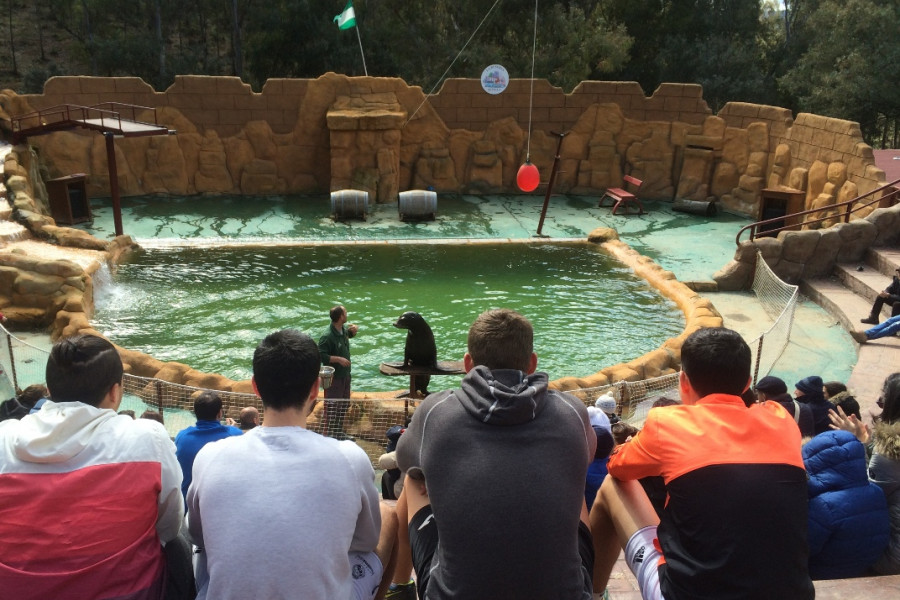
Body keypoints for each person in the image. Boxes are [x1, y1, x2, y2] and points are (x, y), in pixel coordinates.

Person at [590, 327, 814, 599]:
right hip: (791, 594)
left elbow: (617, 466)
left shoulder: (668, 423)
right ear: (748, 382)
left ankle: (593, 592)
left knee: (612, 485)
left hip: (686, 594)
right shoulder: (782, 420)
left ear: (683, 381)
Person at [396, 309, 597, 600]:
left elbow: (405, 462)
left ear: (468, 364)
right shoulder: (572, 412)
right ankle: (599, 590)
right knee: (572, 479)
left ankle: (399, 586)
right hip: (566, 594)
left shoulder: (436, 412)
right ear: (532, 363)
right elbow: (587, 456)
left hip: (450, 594)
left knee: (413, 479)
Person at [186, 329, 397, 600]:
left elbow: (198, 535)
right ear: (315, 388)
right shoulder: (350, 458)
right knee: (389, 515)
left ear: (255, 386)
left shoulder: (210, 456)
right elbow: (366, 541)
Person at [0, 334, 185, 599]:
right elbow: (168, 526)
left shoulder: (4, 438)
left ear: (50, 390)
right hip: (130, 592)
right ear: (115, 391)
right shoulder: (149, 439)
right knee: (180, 541)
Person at [802, 429, 889, 579]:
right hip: (862, 568)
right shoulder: (876, 491)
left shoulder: (824, 505)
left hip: (823, 574)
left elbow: (804, 549)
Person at [174, 391, 242, 500]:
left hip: (187, 504)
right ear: (220, 413)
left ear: (196, 413)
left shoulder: (182, 437)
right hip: (223, 502)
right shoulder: (235, 434)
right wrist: (233, 428)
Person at [318, 305, 358, 439]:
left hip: (346, 375)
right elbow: (321, 355)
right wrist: (338, 359)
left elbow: (346, 337)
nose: (347, 314)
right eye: (345, 313)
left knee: (344, 404)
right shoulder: (327, 336)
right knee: (332, 407)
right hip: (335, 378)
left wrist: (353, 332)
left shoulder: (343, 331)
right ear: (341, 317)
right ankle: (330, 434)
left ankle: (338, 432)